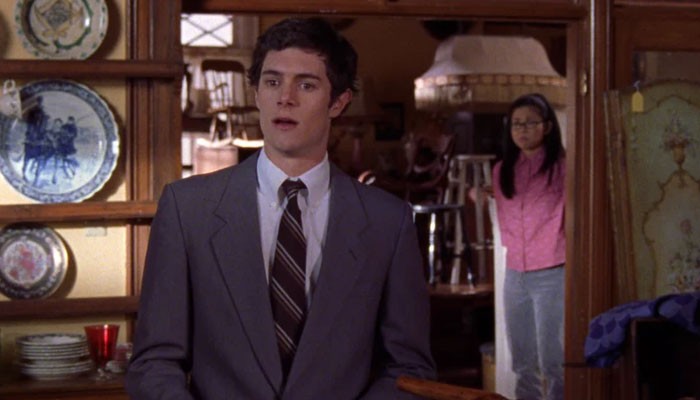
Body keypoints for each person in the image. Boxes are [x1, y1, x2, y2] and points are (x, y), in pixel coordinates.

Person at [125, 17, 435, 399]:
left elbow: (408, 368)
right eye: (272, 82)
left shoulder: (388, 222)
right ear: (256, 93)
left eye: (306, 85)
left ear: (338, 102)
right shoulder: (187, 209)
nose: (285, 98)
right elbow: (154, 363)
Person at [476, 93, 566, 400]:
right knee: (523, 360)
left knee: (554, 360)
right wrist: (482, 194)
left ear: (547, 126)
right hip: (515, 273)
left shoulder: (563, 168)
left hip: (552, 270)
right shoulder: (502, 170)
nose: (522, 130)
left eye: (529, 123)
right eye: (516, 124)